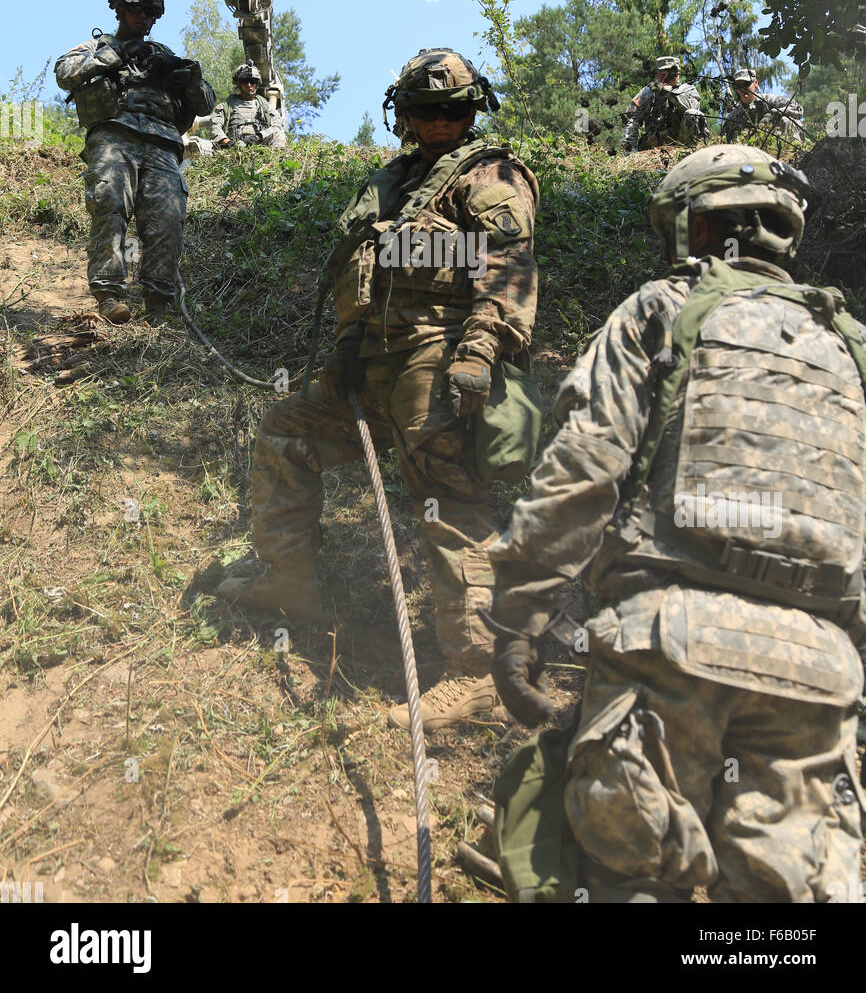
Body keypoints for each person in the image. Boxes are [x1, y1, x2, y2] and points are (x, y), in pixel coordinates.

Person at [488, 144, 866, 902]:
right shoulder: (850, 351)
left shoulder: (664, 309)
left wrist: (519, 613)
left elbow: (583, 469)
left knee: (631, 880)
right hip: (819, 671)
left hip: (668, 641)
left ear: (693, 230)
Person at [219, 48, 539, 732]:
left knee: (444, 499)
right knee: (286, 432)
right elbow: (360, 277)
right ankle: (290, 582)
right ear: (404, 116)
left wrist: (479, 351)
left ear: (472, 110)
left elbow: (506, 267)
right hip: (369, 360)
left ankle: (477, 672)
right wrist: (342, 357)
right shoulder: (391, 182)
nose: (439, 122)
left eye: (452, 111)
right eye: (425, 111)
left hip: (437, 353)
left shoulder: (492, 174)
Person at [55, 0, 215, 325]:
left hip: (163, 144)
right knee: (109, 206)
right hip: (114, 134)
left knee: (166, 220)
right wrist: (113, 56)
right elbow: (65, 73)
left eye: (151, 12)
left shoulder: (163, 54)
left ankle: (158, 305)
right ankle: (110, 295)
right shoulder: (97, 46)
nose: (143, 17)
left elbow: (205, 104)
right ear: (119, 8)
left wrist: (186, 74)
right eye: (136, 9)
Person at [622, 56, 708, 152]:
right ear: (658, 75)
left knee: (693, 113)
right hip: (654, 142)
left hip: (682, 139)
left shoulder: (688, 90)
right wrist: (630, 150)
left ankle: (688, 152)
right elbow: (631, 118)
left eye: (672, 73)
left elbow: (692, 109)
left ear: (678, 74)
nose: (668, 77)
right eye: (664, 74)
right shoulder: (648, 92)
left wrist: (667, 90)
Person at [210, 63, 287, 150]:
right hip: (232, 147)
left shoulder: (264, 105)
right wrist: (225, 141)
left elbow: (277, 125)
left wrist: (259, 136)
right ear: (238, 84)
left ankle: (275, 163)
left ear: (257, 83)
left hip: (259, 146)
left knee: (279, 135)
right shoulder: (227, 105)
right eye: (245, 81)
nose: (249, 84)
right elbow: (214, 125)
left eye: (253, 81)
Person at [723, 67, 805, 144]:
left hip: (781, 145)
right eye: (738, 86)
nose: (742, 89)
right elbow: (722, 139)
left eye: (746, 84)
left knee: (787, 120)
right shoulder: (734, 115)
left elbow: (798, 109)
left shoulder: (769, 100)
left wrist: (772, 114)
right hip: (751, 153)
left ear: (756, 83)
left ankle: (794, 150)